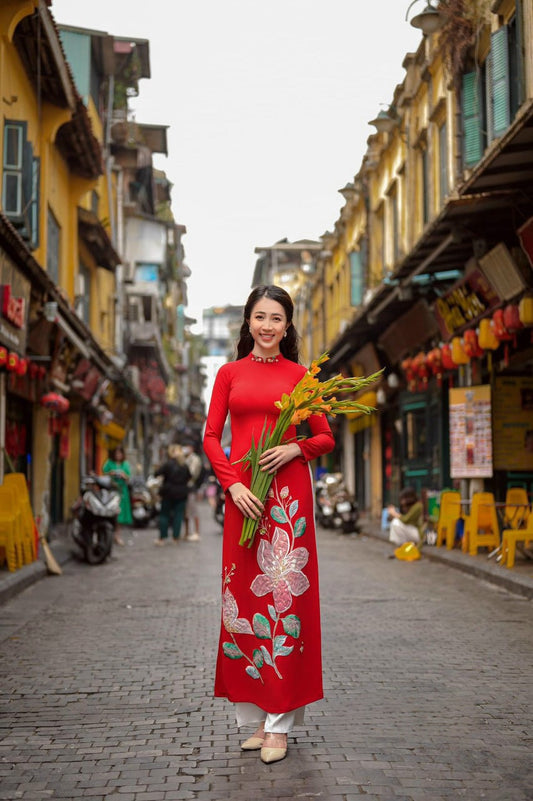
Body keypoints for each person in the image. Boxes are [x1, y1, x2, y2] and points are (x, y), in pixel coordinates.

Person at [203, 284, 334, 764]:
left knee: (285, 600)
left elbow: (324, 436)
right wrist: (233, 484)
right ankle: (253, 721)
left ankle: (280, 724)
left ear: (287, 325)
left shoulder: (303, 378)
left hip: (288, 500)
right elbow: (212, 436)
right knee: (242, 599)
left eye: (276, 318)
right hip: (244, 498)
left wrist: (296, 447)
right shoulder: (228, 373)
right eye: (259, 316)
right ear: (247, 323)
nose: (266, 326)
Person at [154, 444, 191, 545]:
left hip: (168, 493)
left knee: (164, 515)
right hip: (181, 493)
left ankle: (162, 538)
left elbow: (156, 473)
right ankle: (176, 538)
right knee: (178, 516)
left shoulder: (167, 464)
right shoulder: (184, 465)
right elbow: (189, 477)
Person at [102, 445, 132, 545]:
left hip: (122, 491)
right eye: (116, 453)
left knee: (120, 514)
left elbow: (128, 478)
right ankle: (108, 535)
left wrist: (124, 476)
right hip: (111, 490)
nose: (118, 455)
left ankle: (117, 535)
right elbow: (103, 474)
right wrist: (111, 473)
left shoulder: (125, 464)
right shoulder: (109, 463)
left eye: (120, 453)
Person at [183, 443, 203, 542]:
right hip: (185, 487)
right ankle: (186, 532)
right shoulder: (185, 458)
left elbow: (192, 473)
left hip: (191, 487)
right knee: (185, 512)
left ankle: (196, 532)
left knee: (193, 510)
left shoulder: (194, 459)